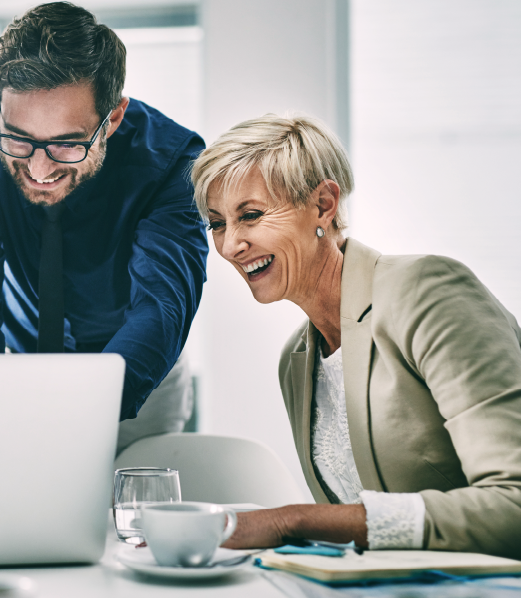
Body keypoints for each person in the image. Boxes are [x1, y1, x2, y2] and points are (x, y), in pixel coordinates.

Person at [190, 113, 521, 558]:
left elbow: (513, 503)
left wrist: (292, 522)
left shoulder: (427, 291)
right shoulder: (298, 359)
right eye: (217, 223)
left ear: (324, 205)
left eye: (250, 215)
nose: (230, 246)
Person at [0, 2, 208, 452]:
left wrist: (75, 408)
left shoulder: (175, 160)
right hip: (15, 366)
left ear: (112, 118)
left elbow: (161, 307)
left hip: (136, 380)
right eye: (19, 137)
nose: (39, 167)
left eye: (66, 144)